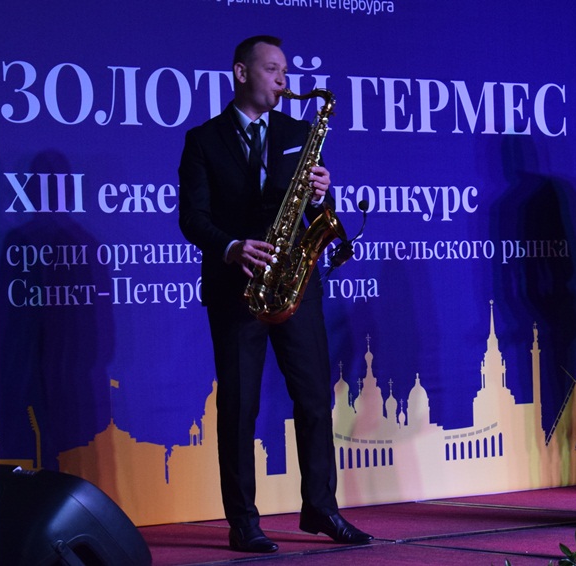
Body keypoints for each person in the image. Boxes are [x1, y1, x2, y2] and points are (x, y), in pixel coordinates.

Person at [178, 35, 372, 553]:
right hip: (236, 288)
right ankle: (243, 521)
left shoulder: (298, 132)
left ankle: (321, 508)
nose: (284, 80)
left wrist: (322, 195)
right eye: (272, 70)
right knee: (238, 407)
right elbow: (192, 218)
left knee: (314, 400)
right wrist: (232, 247)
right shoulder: (203, 140)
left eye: (285, 71)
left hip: (296, 285)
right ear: (241, 73)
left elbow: (313, 212)